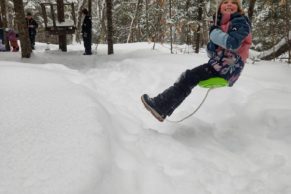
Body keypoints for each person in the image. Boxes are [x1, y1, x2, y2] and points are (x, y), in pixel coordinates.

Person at [141, 0, 252, 122]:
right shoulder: (221, 24)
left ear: (239, 8)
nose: (229, 4)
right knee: (188, 77)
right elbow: (212, 54)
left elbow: (232, 44)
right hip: (219, 66)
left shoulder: (240, 22)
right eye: (225, 2)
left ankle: (161, 106)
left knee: (188, 77)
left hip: (227, 68)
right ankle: (162, 108)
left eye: (233, 2)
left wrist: (215, 34)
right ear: (220, 7)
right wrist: (213, 44)